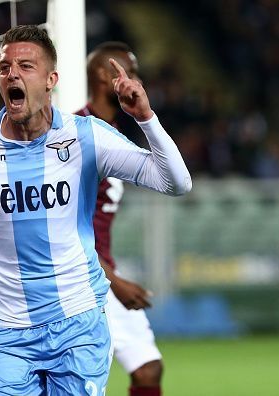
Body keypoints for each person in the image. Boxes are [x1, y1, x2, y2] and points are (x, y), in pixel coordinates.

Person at [0, 25, 191, 395]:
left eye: (25, 66)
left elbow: (176, 183)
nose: (11, 73)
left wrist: (146, 117)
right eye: (4, 67)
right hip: (8, 332)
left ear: (51, 80)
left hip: (77, 324)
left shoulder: (86, 136)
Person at [78, 42, 164, 396]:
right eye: (130, 70)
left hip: (102, 272)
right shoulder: (77, 135)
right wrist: (115, 282)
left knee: (147, 369)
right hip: (79, 281)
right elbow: (67, 228)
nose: (138, 79)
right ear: (104, 75)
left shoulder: (112, 133)